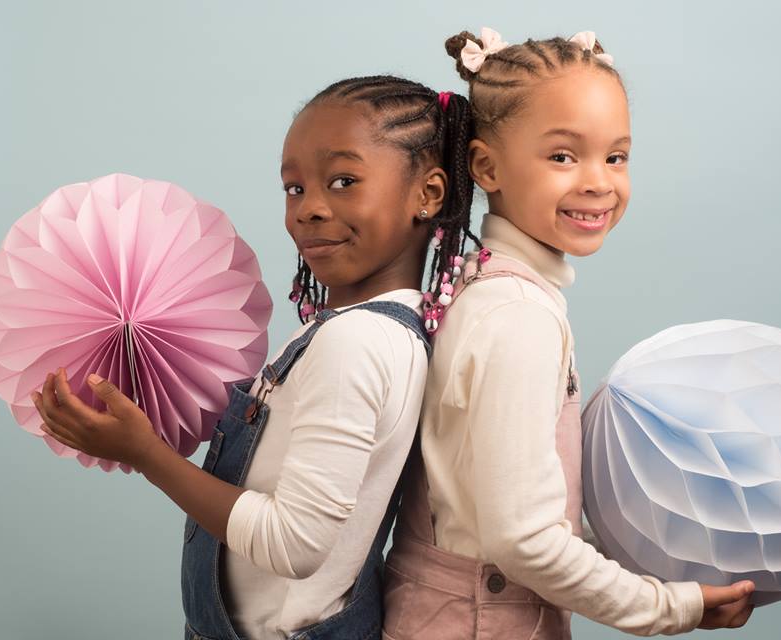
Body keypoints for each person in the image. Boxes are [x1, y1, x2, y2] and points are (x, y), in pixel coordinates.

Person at [32, 74, 476, 640]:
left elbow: (293, 545)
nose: (309, 209)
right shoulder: (356, 332)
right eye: (294, 188)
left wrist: (145, 455)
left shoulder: (356, 343)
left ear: (429, 195)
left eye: (343, 181)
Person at [382, 30, 756, 639]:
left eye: (616, 156)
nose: (598, 182)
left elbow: (502, 513)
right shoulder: (518, 315)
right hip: (476, 621)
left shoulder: (490, 287)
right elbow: (521, 540)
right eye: (563, 156)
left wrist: (647, 573)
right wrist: (668, 606)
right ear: (486, 167)